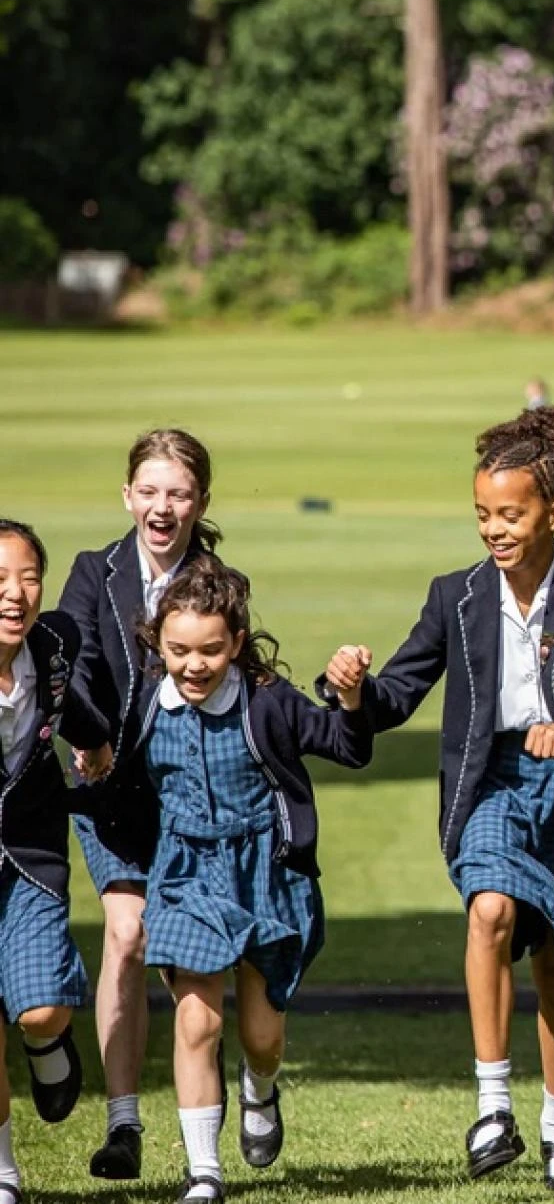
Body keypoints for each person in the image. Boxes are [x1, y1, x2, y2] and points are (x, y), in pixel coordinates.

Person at [329, 406, 554, 1188]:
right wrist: (353, 692)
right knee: (491, 909)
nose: (494, 529)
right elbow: (399, 692)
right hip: (491, 784)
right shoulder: (456, 596)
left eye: (511, 513)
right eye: (482, 514)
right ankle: (493, 1105)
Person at [131, 558, 372, 1203]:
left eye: (211, 650)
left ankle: (260, 1086)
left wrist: (348, 697)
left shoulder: (268, 701)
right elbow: (119, 788)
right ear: (157, 642)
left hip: (267, 874)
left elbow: (349, 747)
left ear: (237, 643)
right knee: (197, 1024)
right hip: (185, 873)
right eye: (178, 650)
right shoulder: (147, 707)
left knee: (260, 1038)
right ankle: (204, 1173)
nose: (194, 665)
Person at [57, 427, 222, 1180]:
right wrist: (89, 739)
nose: (163, 507)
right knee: (126, 933)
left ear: (201, 502)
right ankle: (124, 1122)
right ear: (127, 495)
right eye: (149, 491)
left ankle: (253, 1079)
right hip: (109, 791)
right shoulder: (96, 572)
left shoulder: (220, 582)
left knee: (194, 965)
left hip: (195, 797)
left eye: (178, 493)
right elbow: (74, 668)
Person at [0, 521, 93, 1203]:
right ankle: (3, 1176)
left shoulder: (56, 641)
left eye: (28, 576)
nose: (15, 593)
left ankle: (46, 1042)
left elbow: (68, 707)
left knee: (40, 1010)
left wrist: (97, 742)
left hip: (31, 850)